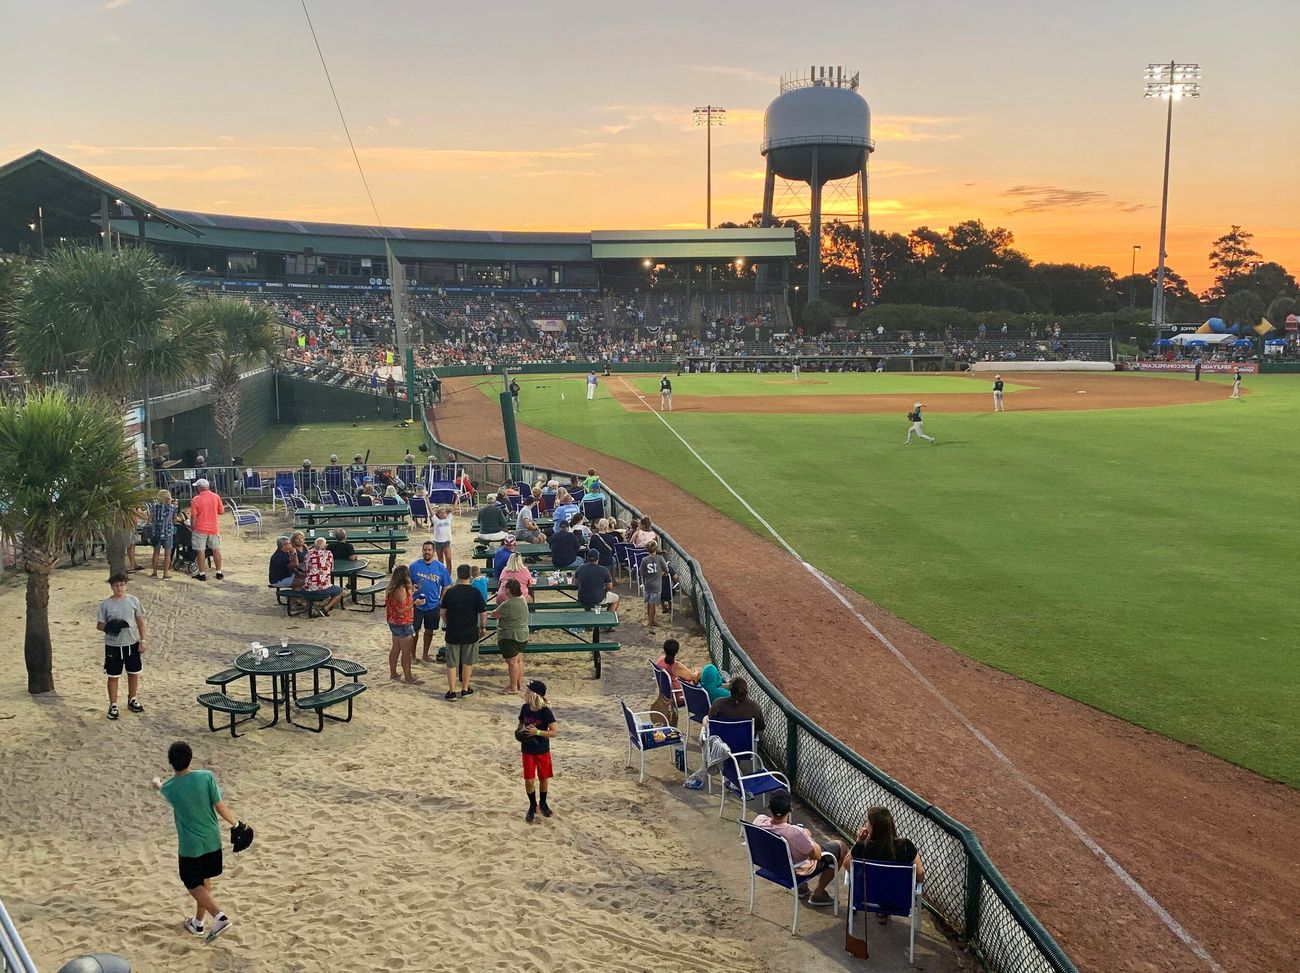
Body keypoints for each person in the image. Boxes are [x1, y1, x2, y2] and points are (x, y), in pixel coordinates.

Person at [152, 741, 241, 942]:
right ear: (190, 758)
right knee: (204, 880)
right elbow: (219, 805)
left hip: (190, 846)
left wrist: (157, 783)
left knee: (192, 883)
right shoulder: (206, 777)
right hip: (212, 840)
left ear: (170, 762)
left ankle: (219, 917)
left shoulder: (170, 788)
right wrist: (236, 824)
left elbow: (162, 788)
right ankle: (198, 923)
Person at [752, 790, 842, 906]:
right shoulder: (796, 833)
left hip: (771, 864)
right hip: (793, 870)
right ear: (790, 809)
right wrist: (808, 837)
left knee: (794, 852)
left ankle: (802, 888)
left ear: (769, 807)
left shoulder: (758, 821)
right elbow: (817, 855)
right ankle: (819, 893)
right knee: (841, 846)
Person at [848, 806, 925, 921]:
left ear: (873, 828)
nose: (865, 825)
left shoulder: (864, 848)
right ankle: (883, 909)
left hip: (868, 899)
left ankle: (881, 909)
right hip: (900, 901)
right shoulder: (906, 846)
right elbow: (920, 875)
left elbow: (847, 865)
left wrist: (859, 842)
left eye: (867, 823)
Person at [98, 572, 147, 721]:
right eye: (116, 585)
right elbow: (99, 625)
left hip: (131, 643)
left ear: (126, 586)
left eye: (122, 585)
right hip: (113, 645)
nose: (119, 588)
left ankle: (132, 699)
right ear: (111, 587)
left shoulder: (133, 601)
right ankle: (113, 705)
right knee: (113, 676)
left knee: (133, 673)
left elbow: (140, 621)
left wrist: (143, 640)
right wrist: (109, 627)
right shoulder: (106, 604)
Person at [440, 564, 488, 701]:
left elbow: (442, 612)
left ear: (458, 575)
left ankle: (452, 691)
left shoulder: (450, 592)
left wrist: (448, 622)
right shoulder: (475, 592)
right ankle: (465, 688)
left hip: (453, 631)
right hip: (470, 631)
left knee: (451, 663)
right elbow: (483, 613)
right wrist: (483, 627)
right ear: (469, 575)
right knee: (467, 662)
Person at [517, 680, 557, 823]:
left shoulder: (546, 712)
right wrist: (520, 732)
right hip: (528, 749)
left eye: (527, 692)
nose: (524, 694)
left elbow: (553, 732)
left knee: (543, 778)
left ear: (534, 695)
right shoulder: (525, 708)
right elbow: (521, 723)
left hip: (542, 749)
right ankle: (532, 805)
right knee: (529, 780)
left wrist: (537, 732)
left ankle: (543, 803)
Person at [410, 541, 453, 663]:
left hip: (433, 604)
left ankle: (425, 654)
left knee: (429, 630)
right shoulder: (414, 566)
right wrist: (412, 595)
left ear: (434, 551)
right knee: (414, 631)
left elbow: (446, 585)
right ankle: (412, 655)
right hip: (416, 604)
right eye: (425, 550)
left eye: (429, 550)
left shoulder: (440, 567)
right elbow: (407, 583)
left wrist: (441, 600)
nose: (427, 552)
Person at [491, 578, 529, 694]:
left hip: (510, 636)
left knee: (512, 662)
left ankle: (513, 687)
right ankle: (519, 684)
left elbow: (495, 615)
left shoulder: (508, 604)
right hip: (523, 634)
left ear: (508, 590)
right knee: (519, 660)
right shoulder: (522, 599)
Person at [386, 565, 421, 684]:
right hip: (403, 623)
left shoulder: (392, 587)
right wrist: (414, 603)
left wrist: (412, 591)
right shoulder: (401, 589)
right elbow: (400, 609)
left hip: (394, 622)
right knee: (406, 653)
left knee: (395, 648)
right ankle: (408, 677)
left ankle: (393, 673)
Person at [189, 478, 224, 581]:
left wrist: (192, 526)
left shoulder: (196, 499)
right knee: (216, 550)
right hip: (213, 527)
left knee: (201, 551)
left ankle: (202, 573)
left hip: (200, 528)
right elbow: (221, 511)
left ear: (199, 488)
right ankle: (219, 572)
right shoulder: (216, 497)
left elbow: (193, 515)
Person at [303, 537, 345, 615]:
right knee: (340, 591)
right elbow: (331, 568)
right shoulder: (328, 554)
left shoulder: (308, 554)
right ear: (325, 546)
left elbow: (306, 568)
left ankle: (311, 606)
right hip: (322, 589)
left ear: (314, 546)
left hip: (307, 588)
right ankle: (325, 609)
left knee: (310, 583)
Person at [654, 638, 698, 703]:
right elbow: (692, 677)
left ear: (664, 649)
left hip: (667, 695)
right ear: (677, 651)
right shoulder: (676, 666)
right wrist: (697, 670)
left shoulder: (661, 660)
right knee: (699, 675)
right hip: (679, 696)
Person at [640, 541, 671, 631]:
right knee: (652, 605)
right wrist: (659, 574)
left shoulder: (644, 559)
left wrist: (648, 575)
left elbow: (641, 572)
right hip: (656, 585)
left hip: (648, 584)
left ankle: (652, 621)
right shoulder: (660, 558)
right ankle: (650, 623)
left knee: (649, 604)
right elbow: (666, 569)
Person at [150, 490, 178, 579]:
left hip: (156, 532)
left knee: (156, 553)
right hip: (167, 532)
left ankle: (154, 572)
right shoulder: (172, 508)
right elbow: (174, 520)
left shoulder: (154, 507)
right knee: (167, 554)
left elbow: (151, 519)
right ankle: (165, 573)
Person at [431, 505, 453, 571]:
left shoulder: (448, 519)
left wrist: (457, 500)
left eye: (444, 512)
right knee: (440, 560)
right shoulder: (436, 520)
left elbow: (453, 509)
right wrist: (427, 500)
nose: (443, 514)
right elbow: (430, 511)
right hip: (438, 542)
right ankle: (441, 573)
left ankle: (449, 574)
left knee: (448, 558)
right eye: (441, 513)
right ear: (438, 514)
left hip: (446, 541)